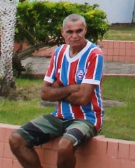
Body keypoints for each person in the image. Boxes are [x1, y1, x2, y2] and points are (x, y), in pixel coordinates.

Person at [7, 12, 104, 168]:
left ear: (85, 30)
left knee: (64, 146)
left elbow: (83, 98)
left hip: (87, 119)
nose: (74, 36)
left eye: (79, 31)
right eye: (70, 32)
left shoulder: (94, 55)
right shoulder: (59, 53)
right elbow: (45, 93)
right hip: (59, 117)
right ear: (62, 32)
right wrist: (71, 88)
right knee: (16, 139)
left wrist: (58, 91)